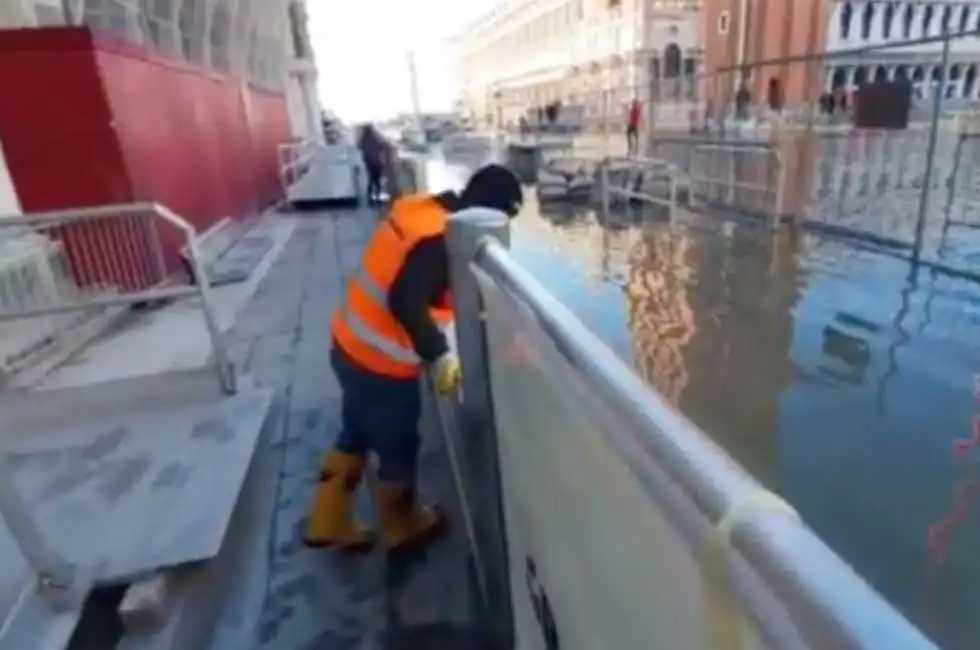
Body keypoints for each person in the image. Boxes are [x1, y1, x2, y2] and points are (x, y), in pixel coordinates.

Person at [303, 163, 524, 554]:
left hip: (349, 344)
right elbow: (405, 298)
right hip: (381, 366)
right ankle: (402, 525)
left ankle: (327, 520)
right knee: (398, 446)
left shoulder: (420, 210)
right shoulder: (440, 241)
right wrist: (439, 355)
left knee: (356, 430)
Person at [358, 123, 386, 204]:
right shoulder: (375, 138)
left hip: (369, 163)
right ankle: (377, 197)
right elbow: (382, 146)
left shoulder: (363, 140)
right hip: (377, 162)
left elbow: (360, 148)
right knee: (377, 181)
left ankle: (370, 198)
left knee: (371, 181)